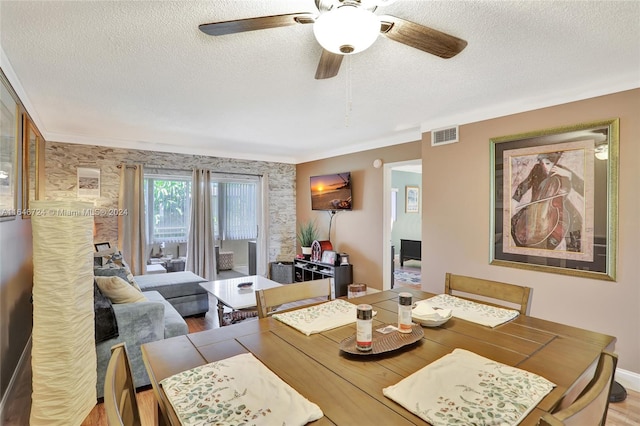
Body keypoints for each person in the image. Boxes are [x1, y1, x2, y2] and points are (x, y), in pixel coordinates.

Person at [510, 151, 583, 251]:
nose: (544, 166)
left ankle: (573, 254)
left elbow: (583, 189)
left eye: (548, 163)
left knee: (576, 221)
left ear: (554, 162)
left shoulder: (562, 170)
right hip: (537, 203)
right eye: (542, 163)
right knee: (514, 221)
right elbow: (525, 184)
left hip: (558, 205)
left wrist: (568, 175)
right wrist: (515, 200)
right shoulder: (537, 169)